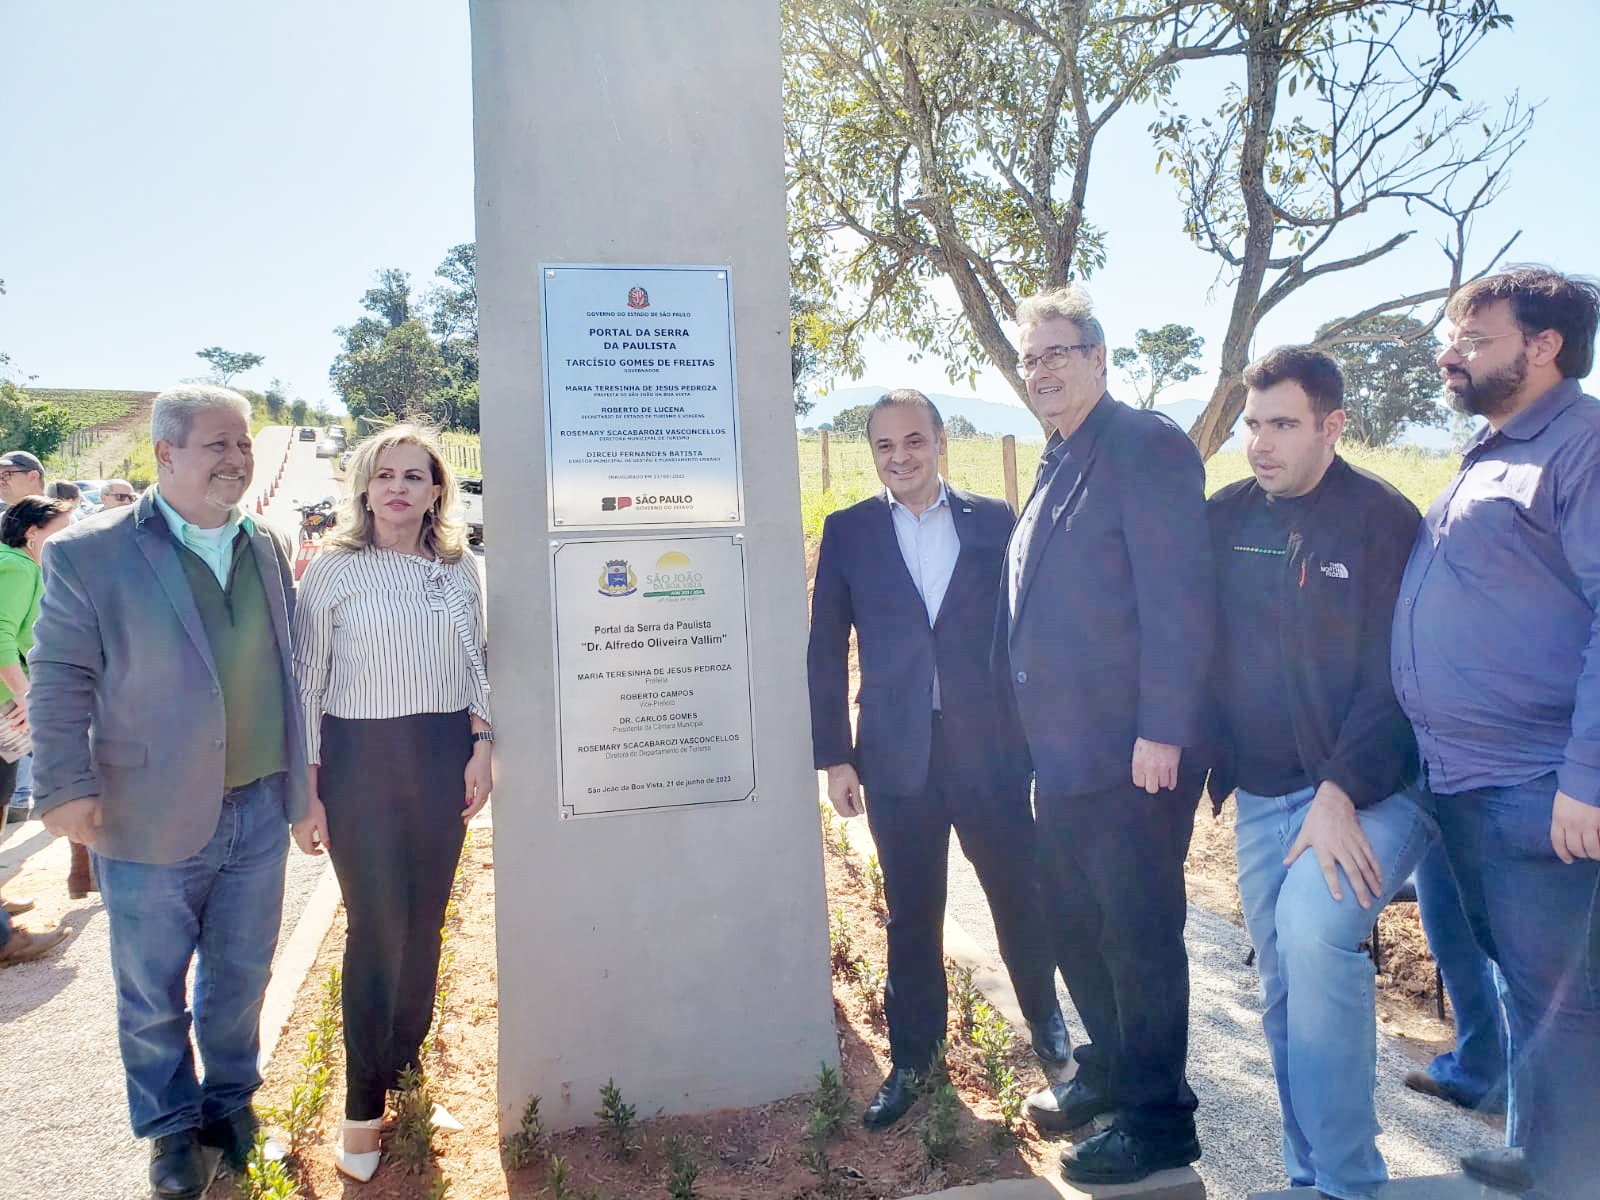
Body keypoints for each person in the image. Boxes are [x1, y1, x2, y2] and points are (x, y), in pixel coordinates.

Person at [29, 384, 309, 1200]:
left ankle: (230, 1106)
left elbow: (288, 670)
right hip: (142, 811)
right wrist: (63, 786)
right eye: (218, 444)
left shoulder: (265, 542)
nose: (237, 458)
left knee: (241, 977)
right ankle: (169, 1129)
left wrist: (305, 789)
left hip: (259, 805)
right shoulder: (91, 552)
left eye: (244, 444)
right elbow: (60, 675)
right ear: (165, 453)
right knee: (151, 992)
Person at [807, 390, 1071, 1131]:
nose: (901, 457)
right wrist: (835, 758)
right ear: (873, 454)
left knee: (1017, 893)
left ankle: (1045, 1018)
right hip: (895, 757)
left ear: (941, 441)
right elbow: (824, 649)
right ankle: (914, 1061)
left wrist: (1039, 736)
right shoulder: (850, 531)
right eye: (886, 446)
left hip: (989, 751)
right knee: (912, 913)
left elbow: (1027, 631)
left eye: (914, 441)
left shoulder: (992, 520)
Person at [1391, 266, 1600, 1200]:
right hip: (1463, 778)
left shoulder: (1583, 448)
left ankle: (1571, 1177)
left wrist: (1587, 779)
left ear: (1544, 346)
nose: (1453, 354)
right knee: (1525, 983)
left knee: (1567, 1001)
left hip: (1538, 782)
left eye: (1475, 339)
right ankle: (1540, 1152)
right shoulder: (1496, 448)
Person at [1206, 346, 1433, 1199]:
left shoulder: (1382, 519)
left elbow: (1395, 678)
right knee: (1279, 988)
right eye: (1252, 425)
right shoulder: (1226, 517)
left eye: (1283, 425)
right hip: (1264, 795)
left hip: (1374, 788)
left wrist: (1338, 792)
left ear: (1332, 425)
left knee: (1311, 930)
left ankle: (1348, 1183)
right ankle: (1307, 1174)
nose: (1260, 444)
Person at [1002, 286, 1213, 1186]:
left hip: (1132, 756)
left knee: (1138, 939)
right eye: (1030, 358)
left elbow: (1179, 596)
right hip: (1065, 754)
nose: (1041, 369)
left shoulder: (1143, 445)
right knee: (1076, 925)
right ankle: (1113, 1071)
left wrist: (1163, 729)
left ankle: (1159, 1123)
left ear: (1097, 358)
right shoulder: (1062, 454)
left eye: (1058, 351)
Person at [291, 424, 492, 1182]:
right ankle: (361, 1104)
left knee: (425, 923)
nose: (398, 487)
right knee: (378, 929)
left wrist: (482, 744)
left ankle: (406, 1074)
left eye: (414, 475)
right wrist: (308, 791)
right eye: (385, 475)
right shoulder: (333, 571)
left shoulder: (458, 568)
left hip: (441, 756)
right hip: (359, 761)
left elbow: (479, 663)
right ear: (365, 489)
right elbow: (307, 682)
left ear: (437, 490)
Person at [1405, 843, 1529, 1191]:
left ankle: (1534, 1147)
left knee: (1518, 963)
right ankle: (1477, 1069)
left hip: (1523, 812)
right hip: (1440, 812)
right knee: (1447, 930)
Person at [0, 496, 75, 815]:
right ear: (32, 532)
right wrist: (25, 695)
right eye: (62, 531)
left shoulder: (22, 564)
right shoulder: (17, 567)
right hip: (10, 704)